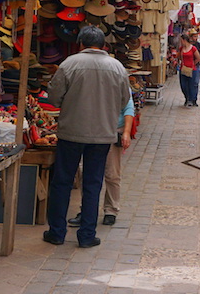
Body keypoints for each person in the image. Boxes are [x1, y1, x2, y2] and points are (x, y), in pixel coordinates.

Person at [45, 26, 131, 248]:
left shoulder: (69, 64)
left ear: (80, 44)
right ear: (103, 45)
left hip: (71, 132)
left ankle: (56, 232)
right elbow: (124, 102)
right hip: (102, 135)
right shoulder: (117, 67)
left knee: (62, 182)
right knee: (93, 184)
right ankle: (86, 235)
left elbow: (53, 99)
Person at [69, 93, 134, 227]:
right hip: (90, 130)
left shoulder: (119, 78)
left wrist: (126, 132)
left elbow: (128, 108)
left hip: (113, 130)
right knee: (84, 171)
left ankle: (111, 210)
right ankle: (87, 209)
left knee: (112, 172)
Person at [175, 36, 200, 107]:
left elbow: (198, 58)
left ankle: (191, 100)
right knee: (183, 85)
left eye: (181, 40)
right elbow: (179, 56)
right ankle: (187, 97)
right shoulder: (181, 49)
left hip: (192, 69)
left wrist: (193, 64)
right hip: (183, 68)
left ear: (184, 40)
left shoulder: (193, 48)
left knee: (191, 85)